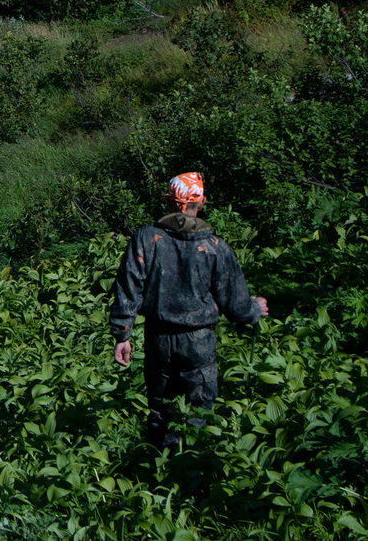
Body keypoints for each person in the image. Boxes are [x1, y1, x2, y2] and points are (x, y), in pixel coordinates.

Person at [109, 172, 267, 450]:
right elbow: (236, 305)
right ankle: (189, 469)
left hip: (158, 338)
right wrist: (255, 309)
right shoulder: (214, 247)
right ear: (202, 202)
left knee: (160, 407)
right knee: (198, 411)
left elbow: (128, 286)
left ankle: (156, 466)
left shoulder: (147, 237)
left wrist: (123, 334)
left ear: (169, 200)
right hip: (198, 341)